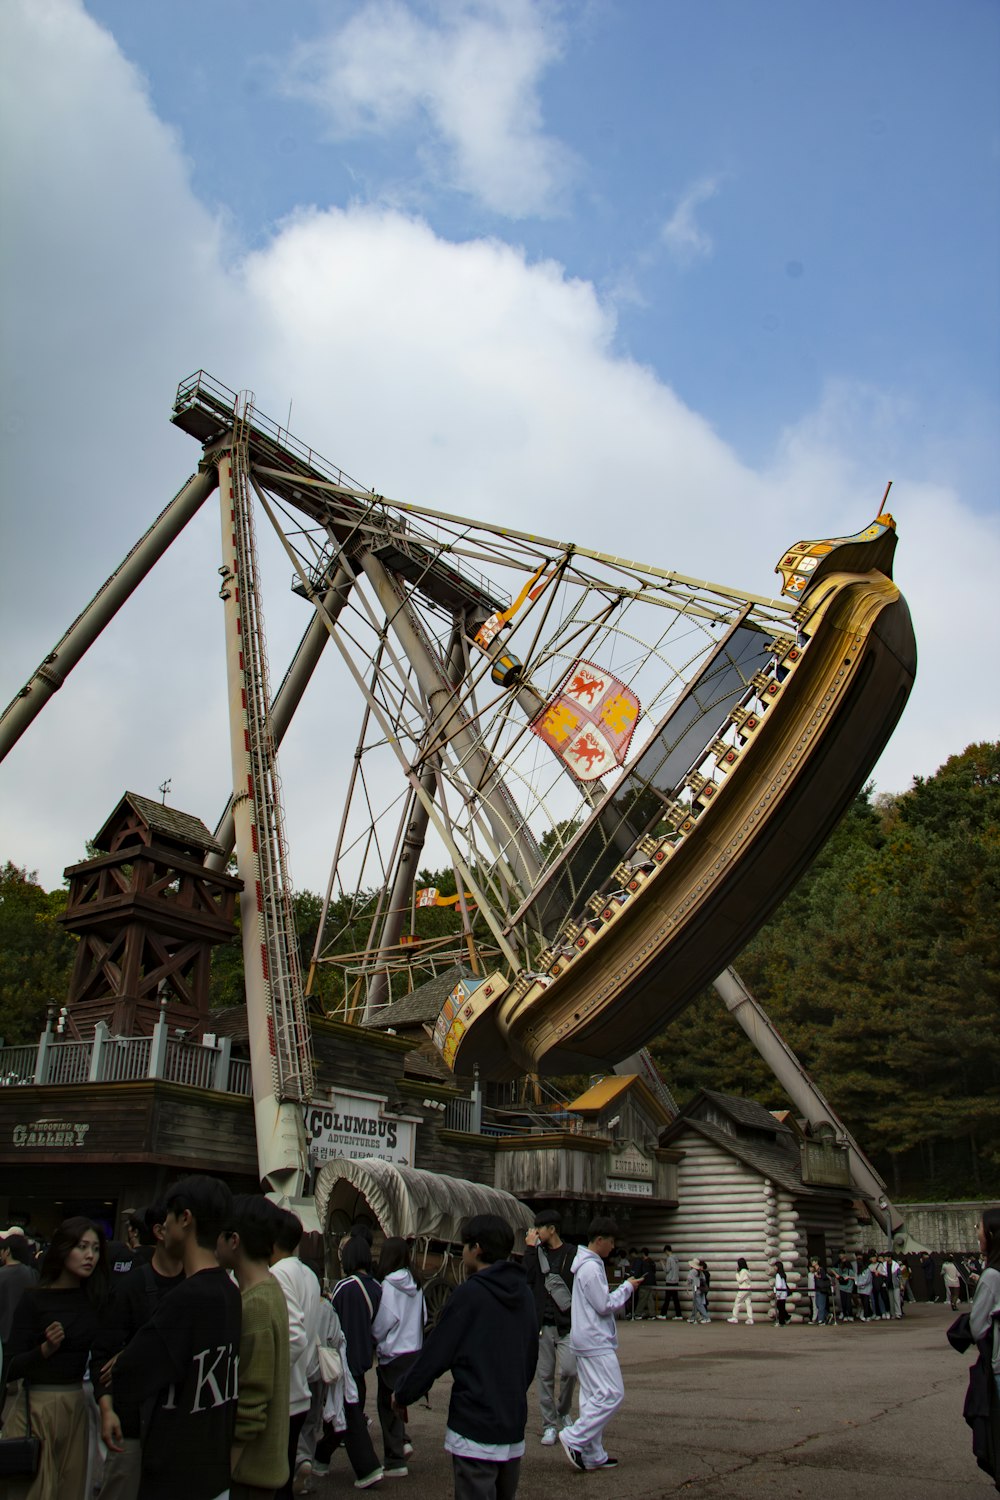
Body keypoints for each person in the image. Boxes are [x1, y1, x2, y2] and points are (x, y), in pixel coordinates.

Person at [103, 1175, 241, 1500]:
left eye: (168, 1215)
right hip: (215, 1472)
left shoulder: (185, 1298)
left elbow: (128, 1376)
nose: (163, 1224)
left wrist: (124, 1358)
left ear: (185, 1218)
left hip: (175, 1475)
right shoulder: (230, 1291)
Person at [392, 1213, 538, 1500]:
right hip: (511, 1420)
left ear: (477, 1248)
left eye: (465, 1246)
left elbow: (436, 1354)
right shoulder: (524, 1293)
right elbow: (530, 1356)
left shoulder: (469, 1294)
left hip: (474, 1423)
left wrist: (403, 1393)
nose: (462, 1253)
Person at [1, 1216, 110, 1500]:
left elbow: (103, 1351)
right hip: (37, 1408)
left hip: (77, 1408)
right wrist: (44, 1351)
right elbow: (9, 1367)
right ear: (63, 1249)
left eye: (96, 1249)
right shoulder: (35, 1299)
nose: (90, 1256)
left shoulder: (96, 1299)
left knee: (70, 1490)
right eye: (82, 1247)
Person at [93, 1201, 185, 1500]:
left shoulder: (199, 1285)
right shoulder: (131, 1286)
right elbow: (103, 1354)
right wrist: (106, 1410)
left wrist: (135, 1350)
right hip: (131, 1422)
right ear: (160, 1231)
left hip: (179, 1425)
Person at [216, 1194, 291, 1500]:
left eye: (218, 1235)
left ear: (234, 1240)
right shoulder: (270, 1289)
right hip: (261, 1469)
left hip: (248, 1473)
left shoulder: (256, 1304)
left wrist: (225, 1468)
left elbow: (251, 1401)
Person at [558, 1217, 642, 1472]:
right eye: (611, 1241)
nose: (613, 1247)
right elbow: (604, 1305)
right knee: (612, 1394)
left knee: (593, 1397)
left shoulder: (585, 1264)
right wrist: (627, 1288)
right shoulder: (591, 1267)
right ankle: (575, 1436)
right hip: (595, 1340)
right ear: (600, 1239)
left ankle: (594, 1453)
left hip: (585, 1339)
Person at [315, 1232, 383, 1489]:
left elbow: (333, 1323)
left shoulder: (345, 1287)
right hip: (363, 1359)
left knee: (349, 1415)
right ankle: (321, 1458)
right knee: (344, 1413)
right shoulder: (376, 1288)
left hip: (342, 1360)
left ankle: (368, 1468)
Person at [269, 1208, 322, 1500]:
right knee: (284, 1480)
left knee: (272, 1482)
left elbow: (294, 1336)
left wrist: (266, 1377)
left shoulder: (278, 1274)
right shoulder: (309, 1274)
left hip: (283, 1394)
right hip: (301, 1390)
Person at [372, 1237, 425, 1478]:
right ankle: (403, 1441)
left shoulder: (388, 1286)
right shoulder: (417, 1284)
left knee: (386, 1405)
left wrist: (375, 1337)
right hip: (413, 1350)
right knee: (397, 1401)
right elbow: (424, 1318)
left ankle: (395, 1461)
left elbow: (383, 1323)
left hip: (393, 1354)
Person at [523, 1210, 576, 1446]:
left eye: (539, 1228)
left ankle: (563, 1411)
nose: (536, 1232)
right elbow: (527, 1277)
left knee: (569, 1371)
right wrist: (529, 1249)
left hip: (566, 1323)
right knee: (544, 1376)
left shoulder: (572, 1253)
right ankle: (549, 1425)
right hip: (542, 1324)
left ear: (551, 1229)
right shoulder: (536, 1253)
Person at [0, 1233, 39, 1344]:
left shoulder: (1, 1274)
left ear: (7, 1251)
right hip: (28, 1338)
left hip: (3, 1338)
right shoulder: (33, 1274)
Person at [658, 1245, 681, 1321]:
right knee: (675, 1299)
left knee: (667, 1298)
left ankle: (663, 1314)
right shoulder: (676, 1258)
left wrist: (662, 1263)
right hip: (676, 1280)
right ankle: (679, 1314)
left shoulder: (669, 1258)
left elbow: (667, 1270)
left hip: (669, 1281)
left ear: (667, 1251)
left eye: (665, 1252)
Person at [728, 1258, 754, 1325]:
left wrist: (736, 1273)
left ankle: (735, 1317)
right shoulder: (748, 1270)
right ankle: (750, 1318)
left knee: (737, 1302)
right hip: (748, 1289)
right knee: (748, 1303)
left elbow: (739, 1280)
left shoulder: (743, 1271)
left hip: (743, 1289)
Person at [773, 1261, 790, 1326]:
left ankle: (781, 1321)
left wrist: (778, 1294)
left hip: (780, 1293)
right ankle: (786, 1317)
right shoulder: (783, 1274)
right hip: (784, 1292)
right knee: (781, 1307)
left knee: (780, 1307)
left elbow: (779, 1285)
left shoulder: (778, 1275)